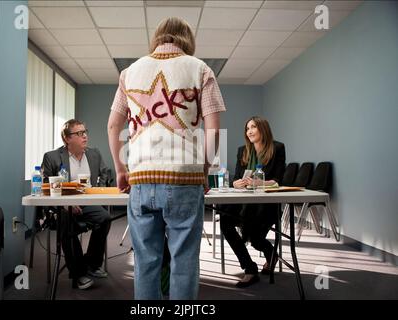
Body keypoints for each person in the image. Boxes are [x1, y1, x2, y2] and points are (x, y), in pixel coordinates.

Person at [107, 17, 226, 299]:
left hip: (142, 179)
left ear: (158, 37)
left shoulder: (130, 72)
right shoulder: (200, 69)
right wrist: (205, 169)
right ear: (186, 39)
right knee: (184, 261)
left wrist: (120, 169)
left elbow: (113, 126)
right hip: (184, 178)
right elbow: (212, 128)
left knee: (146, 262)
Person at [41, 119, 112, 290]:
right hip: (63, 205)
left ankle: (92, 263)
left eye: (85, 132)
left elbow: (105, 174)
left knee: (105, 218)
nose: (85, 136)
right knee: (67, 222)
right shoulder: (52, 157)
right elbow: (46, 187)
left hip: (88, 201)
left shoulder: (94, 154)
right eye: (79, 133)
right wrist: (66, 204)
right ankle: (78, 273)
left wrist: (98, 194)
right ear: (67, 138)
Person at [220, 116, 285, 288]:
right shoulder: (243, 150)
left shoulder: (277, 148)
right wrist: (236, 183)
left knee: (255, 239)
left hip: (266, 205)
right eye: (247, 128)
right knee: (225, 222)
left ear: (263, 129)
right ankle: (249, 268)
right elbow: (235, 179)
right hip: (244, 203)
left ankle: (270, 253)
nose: (249, 131)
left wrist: (261, 183)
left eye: (253, 127)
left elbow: (278, 180)